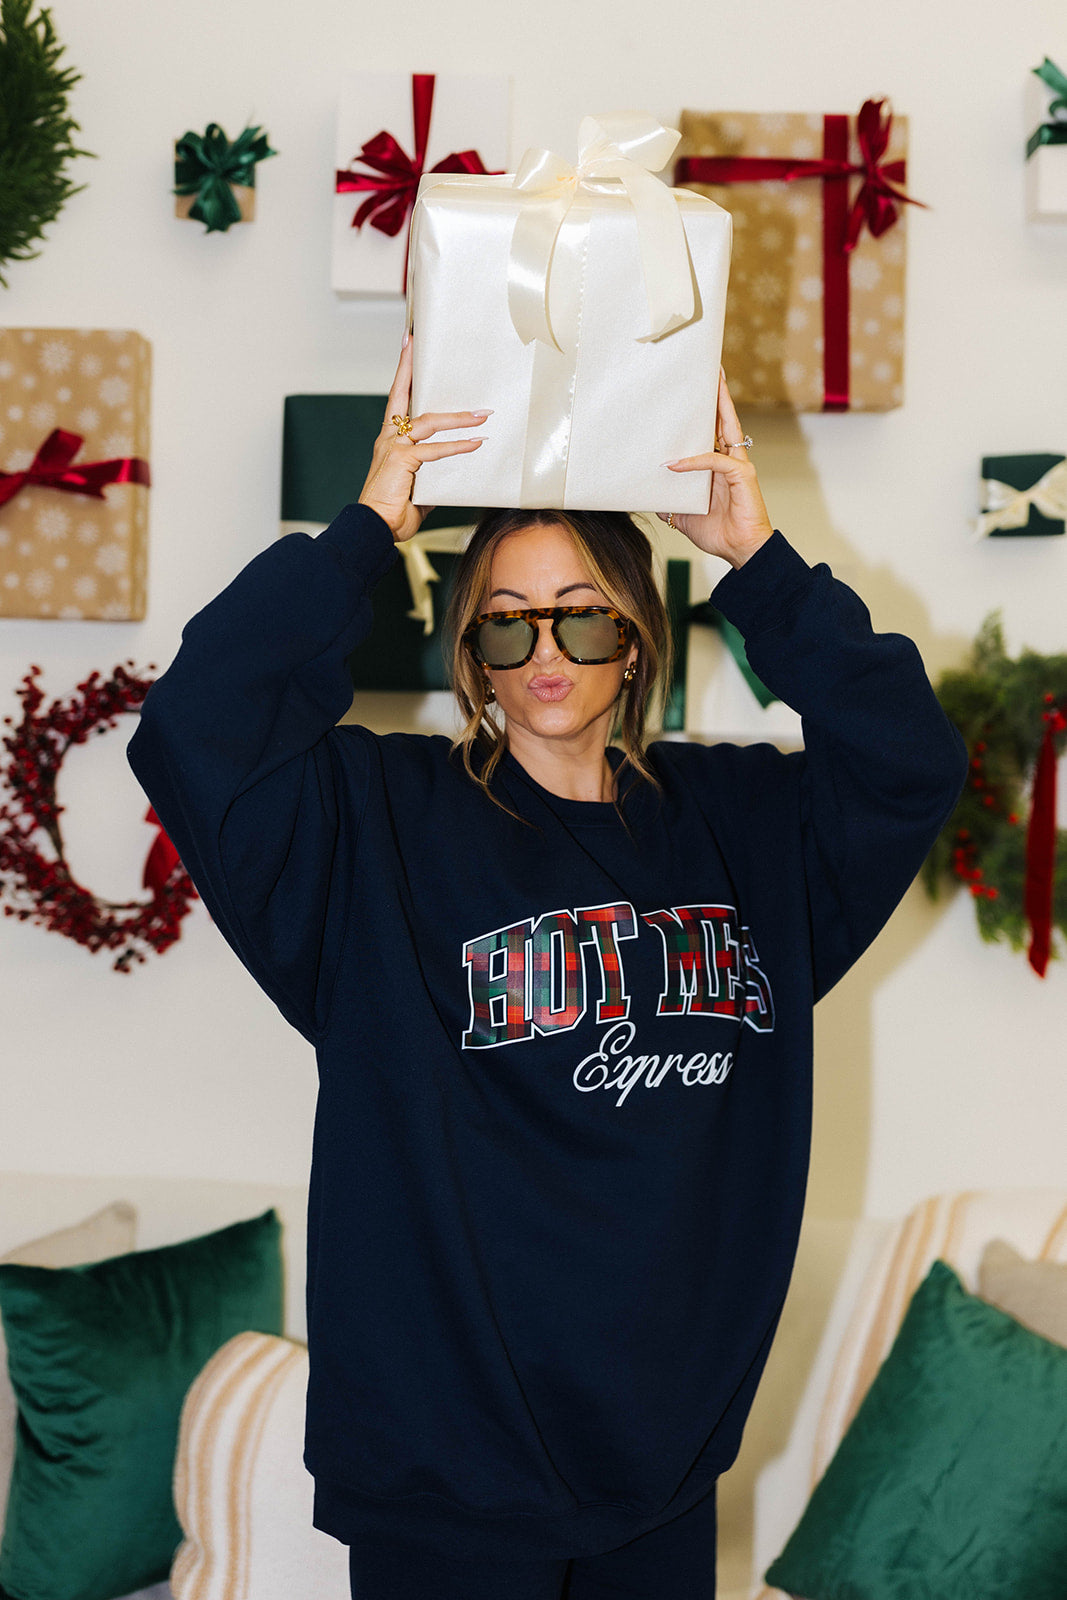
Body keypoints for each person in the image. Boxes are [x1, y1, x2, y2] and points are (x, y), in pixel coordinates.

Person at [128, 339, 966, 1600]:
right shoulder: (375, 825)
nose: (546, 651)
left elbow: (909, 761)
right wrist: (364, 530)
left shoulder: (744, 826)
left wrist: (758, 561)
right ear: (469, 656)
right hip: (440, 1473)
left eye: (580, 614)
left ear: (635, 639)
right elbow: (195, 728)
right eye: (505, 626)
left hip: (660, 1467)